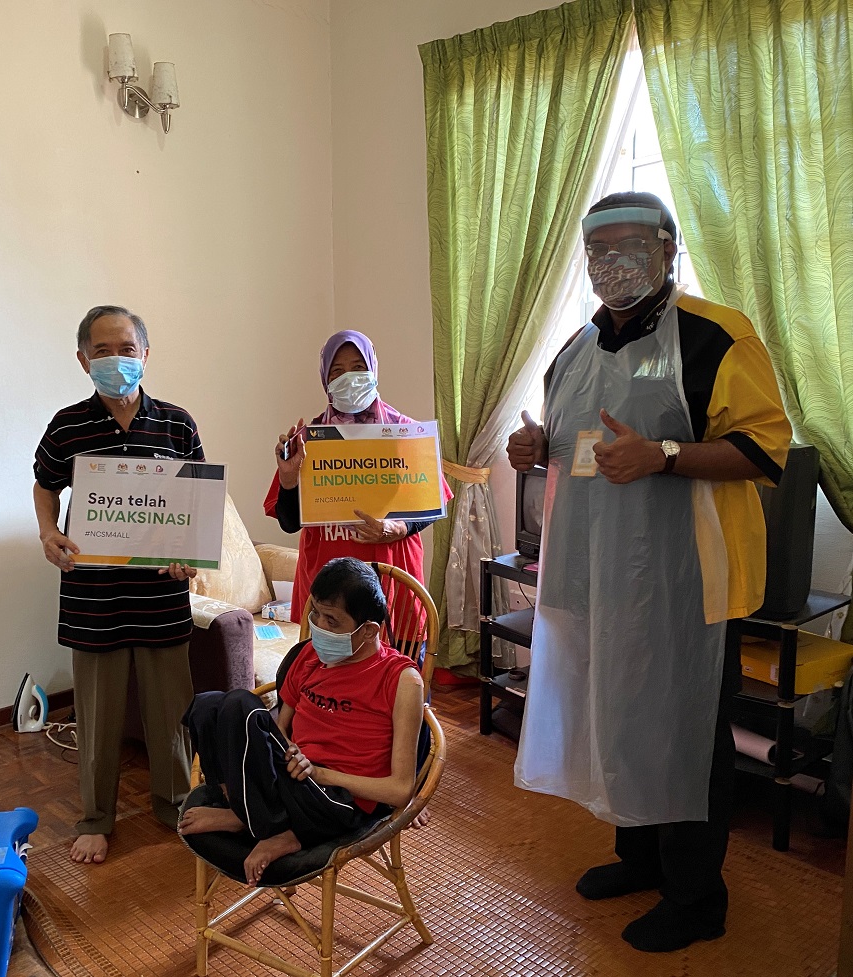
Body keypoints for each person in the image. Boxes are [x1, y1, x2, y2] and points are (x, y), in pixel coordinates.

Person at [507, 192, 791, 952]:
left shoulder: (716, 337)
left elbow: (766, 450)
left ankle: (698, 895)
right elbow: (574, 449)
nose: (611, 262)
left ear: (669, 249)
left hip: (688, 581)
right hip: (599, 574)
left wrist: (663, 456)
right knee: (617, 716)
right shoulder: (574, 350)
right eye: (597, 250)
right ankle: (638, 854)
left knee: (689, 735)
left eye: (630, 244)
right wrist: (533, 448)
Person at [33, 305, 202, 865]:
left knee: (171, 711)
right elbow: (45, 483)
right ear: (83, 360)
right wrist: (47, 531)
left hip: (161, 595)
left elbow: (195, 504)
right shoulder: (66, 425)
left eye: (126, 349)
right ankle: (94, 817)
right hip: (93, 595)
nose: (115, 360)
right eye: (102, 351)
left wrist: (189, 557)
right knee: (98, 715)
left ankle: (175, 804)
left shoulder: (178, 424)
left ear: (145, 355)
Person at [179, 557, 425, 886]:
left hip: (335, 799)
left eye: (332, 621)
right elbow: (280, 727)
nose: (320, 627)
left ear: (368, 631)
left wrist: (318, 771)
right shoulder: (308, 656)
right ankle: (244, 807)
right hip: (293, 781)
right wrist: (275, 755)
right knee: (207, 705)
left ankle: (259, 822)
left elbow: (399, 790)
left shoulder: (402, 681)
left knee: (241, 704)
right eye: (316, 615)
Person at [264, 330, 452, 627]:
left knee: (396, 669)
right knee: (323, 669)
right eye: (337, 371)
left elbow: (432, 502)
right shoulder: (308, 441)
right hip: (326, 586)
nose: (349, 378)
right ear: (325, 379)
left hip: (392, 577)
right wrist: (289, 478)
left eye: (358, 367)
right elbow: (289, 523)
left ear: (373, 370)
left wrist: (398, 527)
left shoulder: (406, 433)